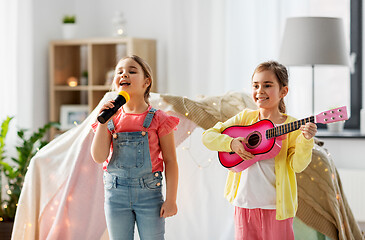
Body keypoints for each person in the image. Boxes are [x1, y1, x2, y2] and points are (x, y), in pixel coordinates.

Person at [202, 61, 317, 240]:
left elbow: (298, 165)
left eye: (267, 85)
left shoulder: (292, 126)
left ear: (283, 91)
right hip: (244, 205)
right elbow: (208, 136)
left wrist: (306, 141)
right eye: (255, 85)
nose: (260, 91)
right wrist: (231, 144)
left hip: (276, 208)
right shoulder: (244, 118)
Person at [91, 55, 179, 240]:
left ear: (146, 82)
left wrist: (171, 200)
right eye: (120, 72)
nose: (124, 74)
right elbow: (99, 157)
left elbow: (170, 161)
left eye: (132, 71)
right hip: (116, 196)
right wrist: (102, 123)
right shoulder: (110, 117)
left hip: (149, 195)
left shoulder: (159, 118)